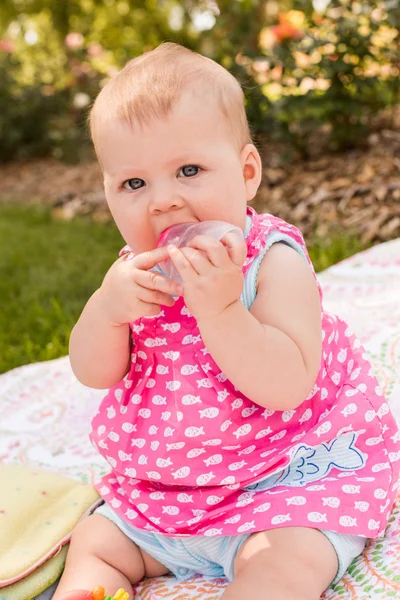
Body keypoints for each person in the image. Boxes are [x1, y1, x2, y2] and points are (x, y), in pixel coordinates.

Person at [54, 42, 400, 600]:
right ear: (109, 193)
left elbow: (286, 384)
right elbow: (95, 372)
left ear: (246, 173)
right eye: (134, 184)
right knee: (95, 539)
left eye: (188, 170)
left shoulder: (272, 260)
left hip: (283, 483)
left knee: (285, 563)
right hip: (168, 495)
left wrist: (220, 311)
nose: (162, 203)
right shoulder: (136, 273)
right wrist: (106, 311)